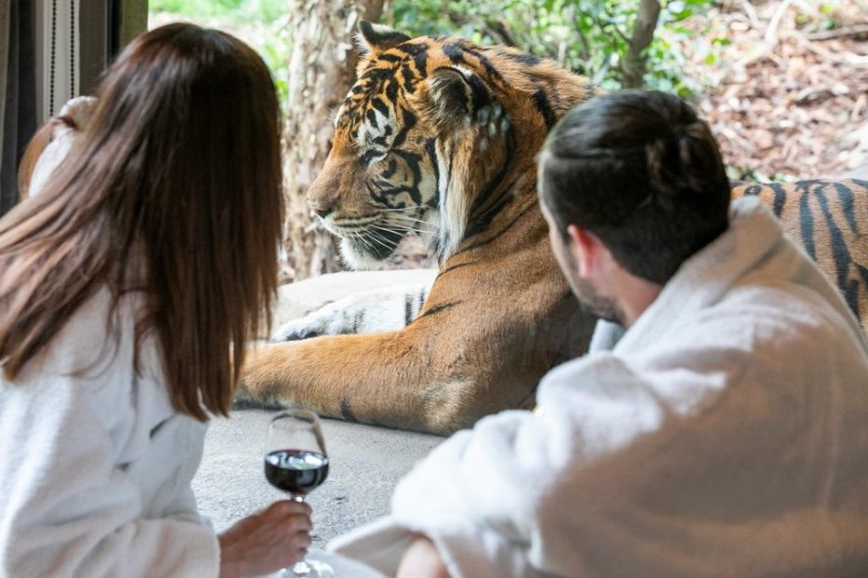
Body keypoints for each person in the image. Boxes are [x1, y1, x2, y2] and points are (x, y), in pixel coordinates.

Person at [330, 90, 868, 577]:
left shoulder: (693, 391)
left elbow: (532, 483)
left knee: (435, 554)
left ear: (584, 248)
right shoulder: (791, 290)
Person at [0, 23, 313, 577]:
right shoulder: (81, 326)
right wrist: (223, 557)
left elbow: (147, 483)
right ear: (238, 177)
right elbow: (37, 560)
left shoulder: (144, 259)